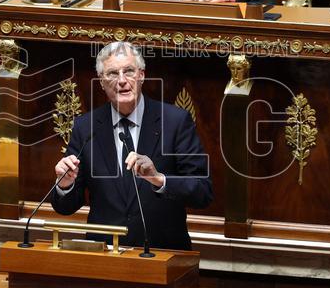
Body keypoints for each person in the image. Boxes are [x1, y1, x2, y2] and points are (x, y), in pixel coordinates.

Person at [52, 42, 213, 250]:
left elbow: (202, 192)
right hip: (104, 257)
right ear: (101, 82)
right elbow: (65, 207)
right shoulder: (86, 127)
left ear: (142, 75)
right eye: (112, 74)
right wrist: (65, 185)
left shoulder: (174, 121)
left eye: (129, 71)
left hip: (162, 252)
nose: (121, 81)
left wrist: (158, 179)